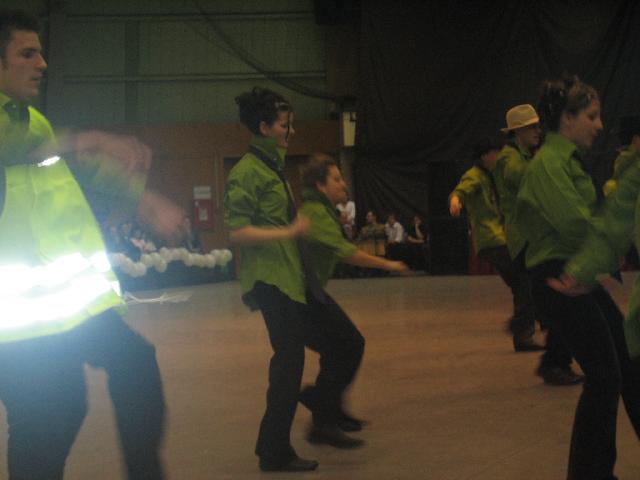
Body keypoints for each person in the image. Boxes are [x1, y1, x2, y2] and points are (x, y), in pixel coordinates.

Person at [0, 10, 184, 479]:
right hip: (14, 326)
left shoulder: (32, 122)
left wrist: (142, 197)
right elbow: (17, 146)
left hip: (63, 307)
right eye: (27, 54)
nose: (42, 64)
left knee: (129, 367)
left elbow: (74, 163)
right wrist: (93, 137)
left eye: (41, 52)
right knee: (44, 419)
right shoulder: (18, 132)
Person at [224, 87, 369, 472]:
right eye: (284, 125)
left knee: (345, 342)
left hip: (294, 279)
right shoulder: (247, 172)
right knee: (288, 363)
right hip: (271, 282)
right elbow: (237, 232)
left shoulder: (274, 167)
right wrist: (289, 232)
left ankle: (323, 411)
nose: (291, 131)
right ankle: (273, 449)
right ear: (264, 127)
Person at [515, 74, 640, 479]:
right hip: (560, 279)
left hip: (577, 271)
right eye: (592, 116)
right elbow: (577, 226)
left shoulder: (566, 162)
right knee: (605, 377)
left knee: (627, 364)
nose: (600, 125)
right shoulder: (549, 165)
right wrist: (614, 244)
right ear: (567, 119)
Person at [298, 152, 408, 446]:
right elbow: (347, 253)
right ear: (320, 185)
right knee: (350, 344)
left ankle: (327, 408)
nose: (344, 184)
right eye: (336, 179)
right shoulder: (316, 213)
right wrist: (388, 264)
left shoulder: (322, 210)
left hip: (307, 291)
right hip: (300, 295)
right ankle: (322, 417)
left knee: (338, 348)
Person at [449, 137, 549, 354]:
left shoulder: (495, 174)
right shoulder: (475, 175)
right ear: (485, 155)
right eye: (497, 153)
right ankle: (524, 328)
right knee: (525, 280)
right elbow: (461, 190)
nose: (501, 157)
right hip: (492, 239)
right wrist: (456, 201)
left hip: (503, 237)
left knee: (523, 283)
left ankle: (524, 331)